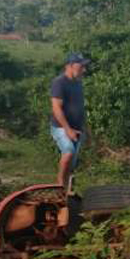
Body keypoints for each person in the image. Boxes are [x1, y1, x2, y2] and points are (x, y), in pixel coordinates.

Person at [50, 52, 92, 189]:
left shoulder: (78, 84)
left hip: (78, 128)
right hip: (61, 128)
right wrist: (68, 130)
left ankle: (68, 191)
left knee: (72, 164)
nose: (84, 70)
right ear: (69, 66)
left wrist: (86, 129)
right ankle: (60, 186)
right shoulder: (59, 83)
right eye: (81, 67)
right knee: (68, 153)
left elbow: (80, 107)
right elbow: (56, 108)